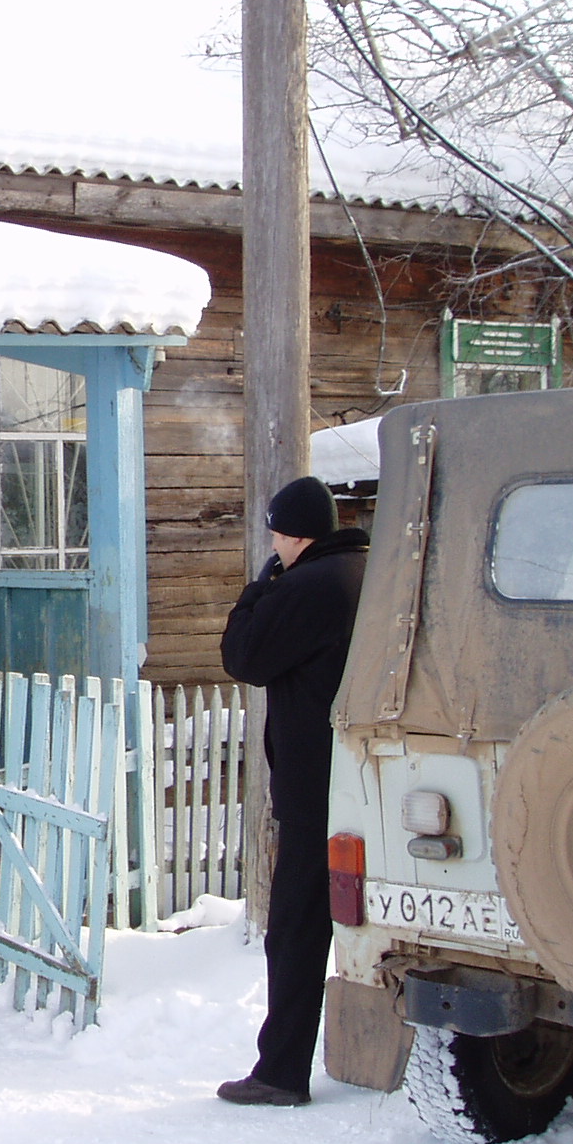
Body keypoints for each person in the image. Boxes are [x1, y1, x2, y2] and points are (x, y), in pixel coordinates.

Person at [215, 475, 370, 1108]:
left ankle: (281, 1071)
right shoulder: (366, 574)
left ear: (295, 534)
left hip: (318, 786)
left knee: (296, 929)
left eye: (276, 532)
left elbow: (243, 657)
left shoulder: (309, 585)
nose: (273, 542)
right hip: (372, 780)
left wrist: (257, 589)